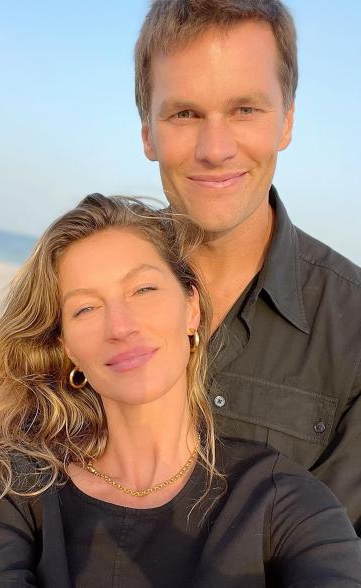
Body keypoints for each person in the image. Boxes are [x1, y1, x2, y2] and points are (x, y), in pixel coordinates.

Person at [0, 195, 360, 587]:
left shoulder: (284, 500)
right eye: (86, 308)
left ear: (192, 308)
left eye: (143, 290)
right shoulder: (3, 487)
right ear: (67, 347)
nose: (121, 326)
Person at [135, 0, 361, 532]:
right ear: (148, 131)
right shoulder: (78, 291)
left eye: (245, 110)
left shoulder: (353, 328)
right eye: (185, 113)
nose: (215, 149)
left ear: (286, 122)